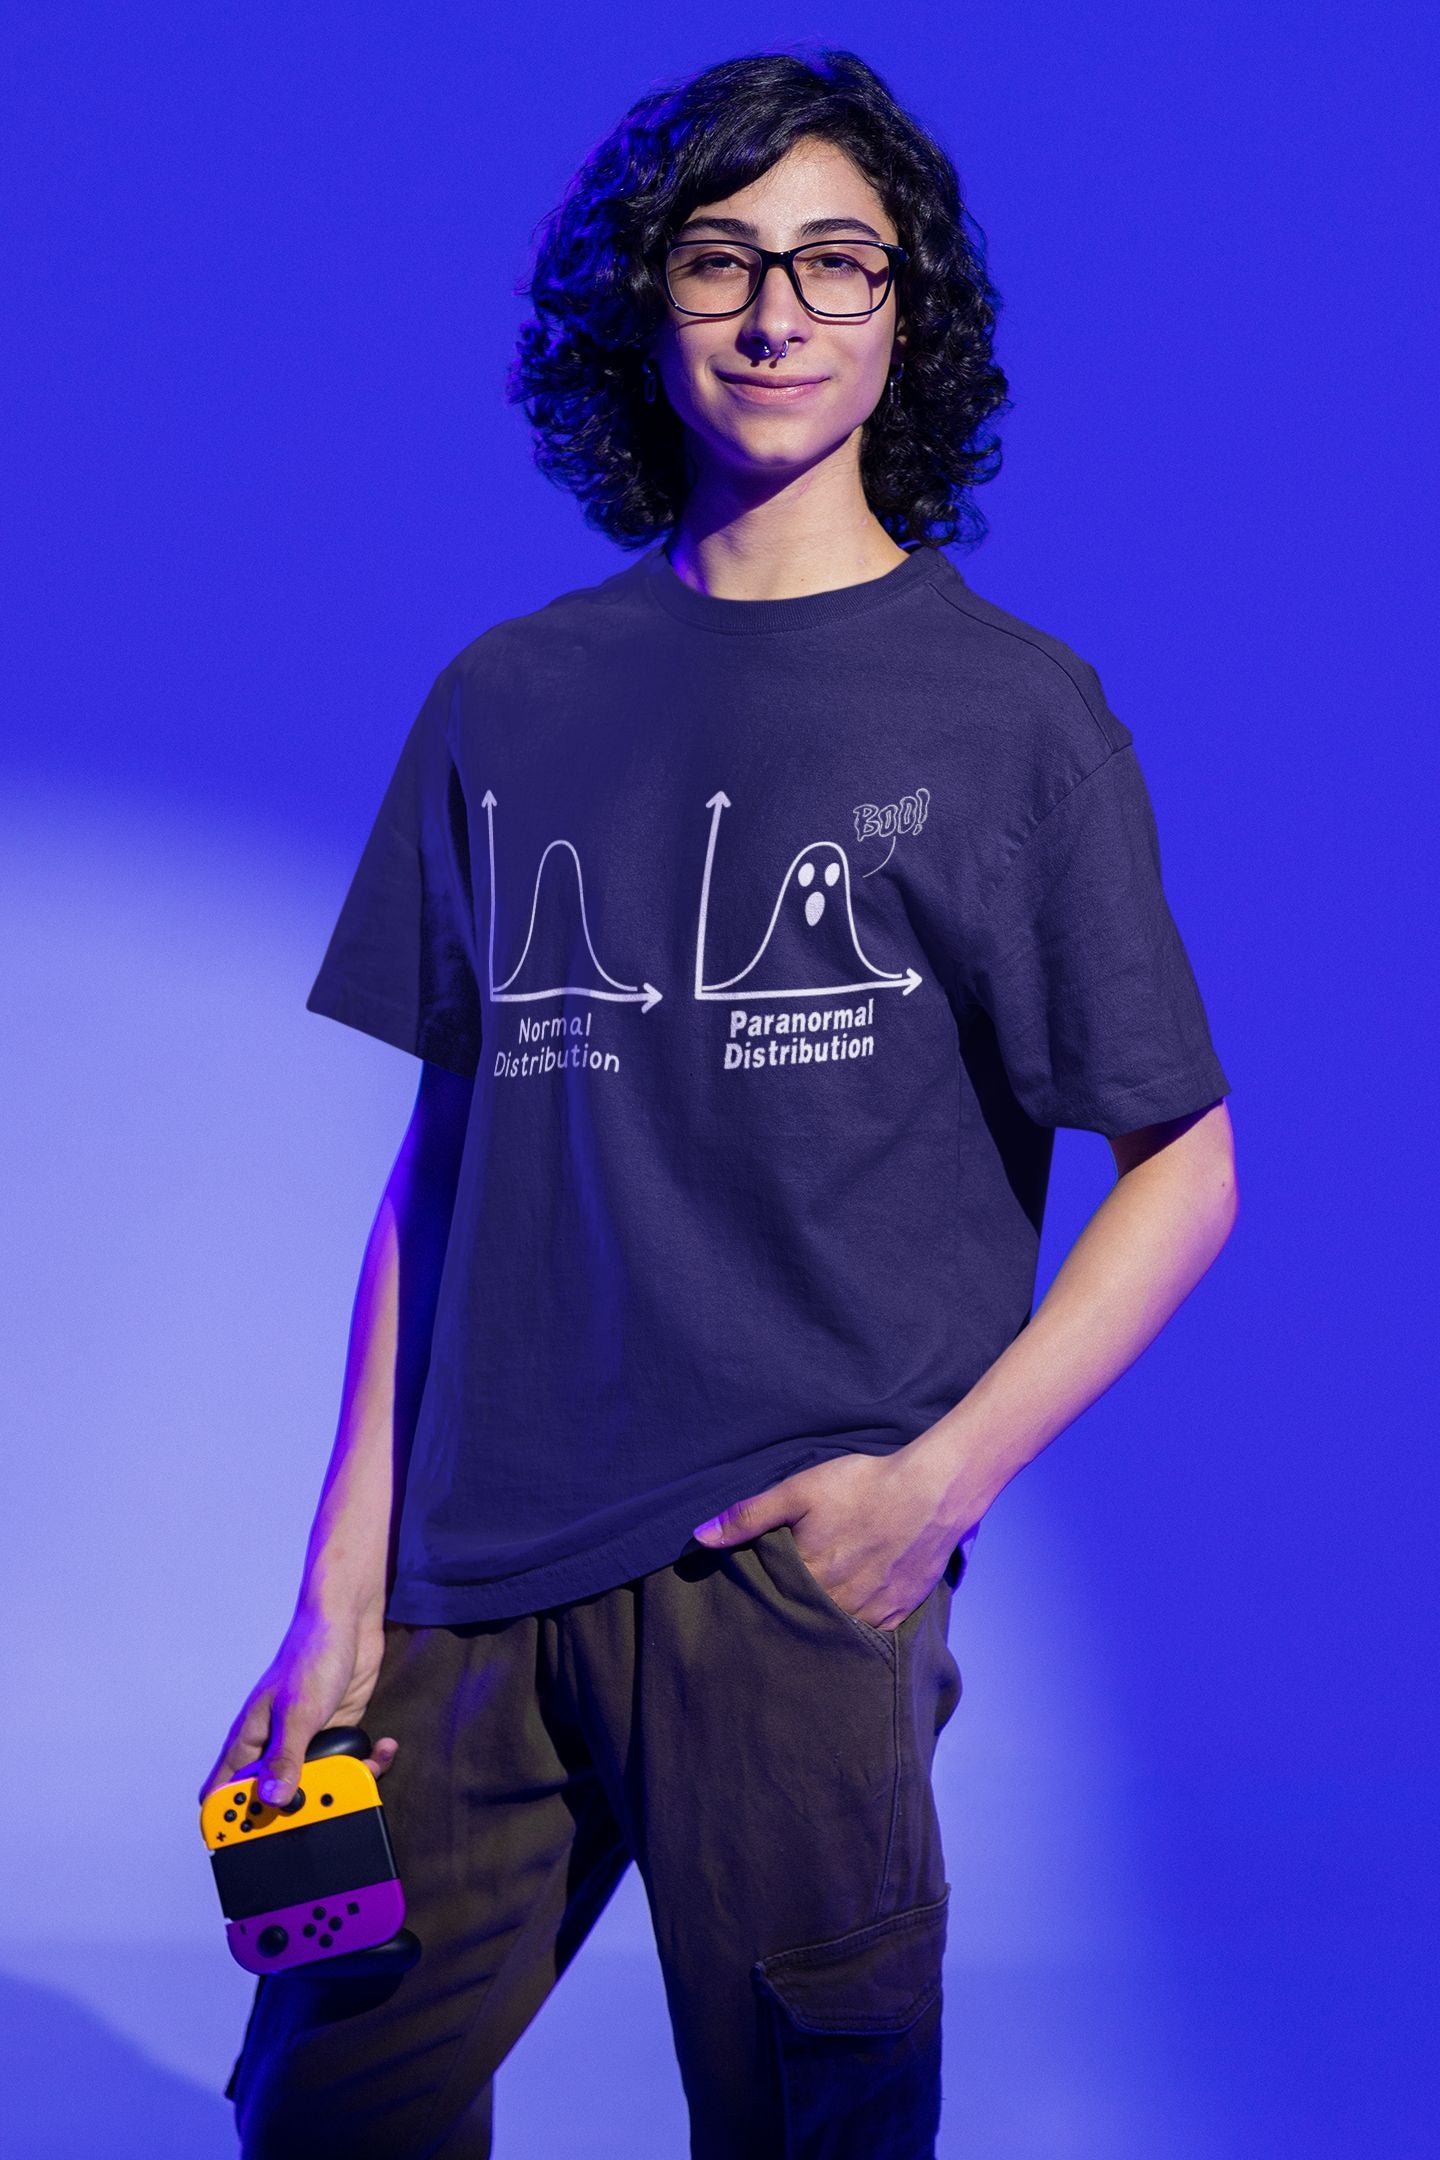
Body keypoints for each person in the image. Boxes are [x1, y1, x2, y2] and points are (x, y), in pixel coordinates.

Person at [202, 45, 1237, 2160]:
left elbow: (1187, 1167)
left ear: (906, 318)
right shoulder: (507, 695)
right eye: (721, 259)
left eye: (836, 261)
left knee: (805, 2132)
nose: (776, 311)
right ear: (647, 307)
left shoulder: (1015, 715)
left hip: (786, 1580)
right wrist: (337, 1589)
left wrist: (932, 1490)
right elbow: (448, 1161)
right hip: (471, 1576)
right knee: (328, 2105)